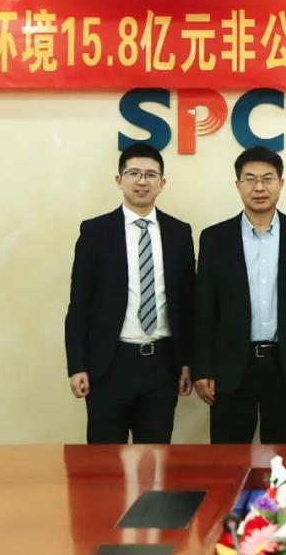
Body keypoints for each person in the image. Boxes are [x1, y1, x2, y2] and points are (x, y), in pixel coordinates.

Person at [193, 146, 286, 443]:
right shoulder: (215, 238)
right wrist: (203, 368)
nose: (259, 187)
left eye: (268, 178)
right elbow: (204, 311)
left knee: (283, 460)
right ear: (237, 184)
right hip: (231, 368)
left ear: (281, 182)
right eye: (250, 179)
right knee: (228, 460)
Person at [64, 142, 194, 443]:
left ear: (162, 182)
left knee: (155, 458)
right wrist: (77, 365)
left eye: (150, 174)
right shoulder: (95, 232)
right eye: (133, 173)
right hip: (109, 365)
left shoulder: (179, 233)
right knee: (106, 461)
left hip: (162, 365)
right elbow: (80, 304)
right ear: (119, 180)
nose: (142, 181)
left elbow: (187, 304)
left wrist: (187, 361)